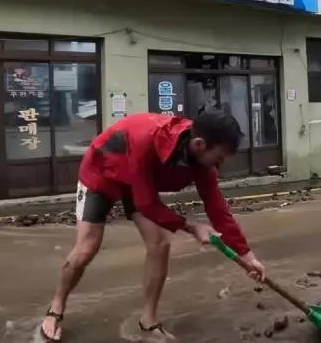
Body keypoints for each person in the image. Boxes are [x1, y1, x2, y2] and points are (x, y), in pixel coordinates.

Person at [39, 111, 266, 342]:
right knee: (87, 247)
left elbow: (217, 208)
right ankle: (56, 307)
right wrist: (191, 226)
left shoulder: (203, 161)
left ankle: (147, 321)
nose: (221, 163)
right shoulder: (146, 141)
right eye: (219, 157)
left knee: (159, 243)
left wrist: (247, 256)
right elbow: (146, 204)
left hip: (138, 182)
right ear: (200, 144)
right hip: (102, 172)